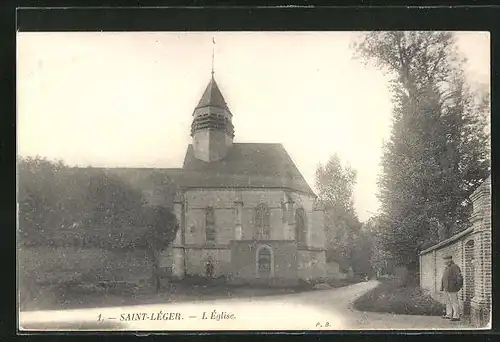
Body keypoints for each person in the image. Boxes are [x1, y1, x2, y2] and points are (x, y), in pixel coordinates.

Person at [441, 255, 464, 321]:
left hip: (452, 287)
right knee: (447, 302)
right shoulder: (447, 267)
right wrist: (442, 287)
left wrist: (457, 286)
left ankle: (456, 316)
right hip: (446, 288)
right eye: (444, 260)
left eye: (447, 259)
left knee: (454, 301)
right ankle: (449, 314)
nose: (445, 261)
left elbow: (459, 277)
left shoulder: (454, 266)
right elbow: (444, 278)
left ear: (450, 260)